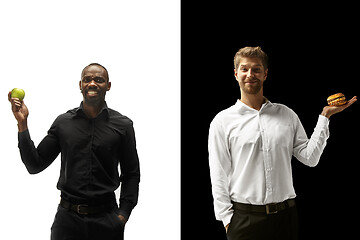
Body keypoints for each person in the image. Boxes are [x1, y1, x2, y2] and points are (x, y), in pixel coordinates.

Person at [208, 46, 357, 240]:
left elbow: (310, 158)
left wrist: (325, 117)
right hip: (245, 221)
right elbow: (218, 173)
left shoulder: (286, 114)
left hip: (285, 219)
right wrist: (227, 220)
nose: (250, 74)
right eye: (244, 69)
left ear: (265, 74)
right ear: (236, 74)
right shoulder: (222, 121)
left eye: (256, 69)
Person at [8, 63, 140, 240]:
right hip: (67, 222)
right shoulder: (63, 123)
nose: (92, 83)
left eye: (99, 80)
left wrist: (123, 214)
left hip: (107, 220)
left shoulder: (123, 126)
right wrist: (22, 124)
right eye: (87, 80)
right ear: (80, 85)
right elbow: (34, 165)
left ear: (108, 86)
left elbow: (131, 174)